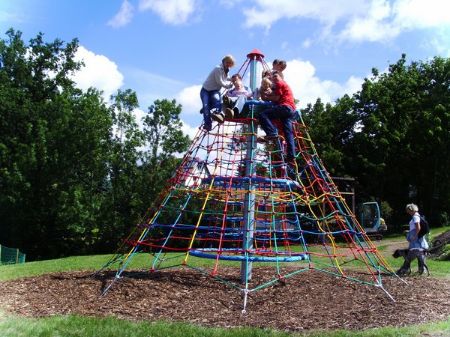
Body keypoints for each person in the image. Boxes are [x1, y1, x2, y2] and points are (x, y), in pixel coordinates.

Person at [257, 70, 297, 163]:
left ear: (281, 77)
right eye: (272, 77)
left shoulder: (280, 83)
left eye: (276, 76)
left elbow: (276, 98)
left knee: (263, 115)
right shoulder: (281, 85)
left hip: (285, 107)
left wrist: (266, 96)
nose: (274, 78)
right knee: (288, 133)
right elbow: (270, 96)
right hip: (291, 110)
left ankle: (271, 133)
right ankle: (291, 156)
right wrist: (265, 93)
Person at [200, 55, 235, 131]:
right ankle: (208, 125)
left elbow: (226, 77)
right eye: (227, 62)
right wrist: (229, 86)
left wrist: (233, 79)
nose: (228, 64)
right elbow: (220, 82)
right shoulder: (218, 68)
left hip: (214, 90)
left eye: (230, 63)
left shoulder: (226, 69)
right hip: (206, 90)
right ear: (224, 61)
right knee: (206, 106)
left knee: (217, 101)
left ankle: (217, 114)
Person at [396, 203, 429, 276]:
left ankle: (404, 270)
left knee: (411, 254)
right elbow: (415, 228)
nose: (407, 212)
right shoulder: (417, 215)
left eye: (408, 210)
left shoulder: (415, 217)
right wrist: (410, 232)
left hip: (415, 239)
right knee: (420, 254)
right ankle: (421, 271)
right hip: (417, 238)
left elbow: (418, 228)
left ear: (411, 210)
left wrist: (414, 236)